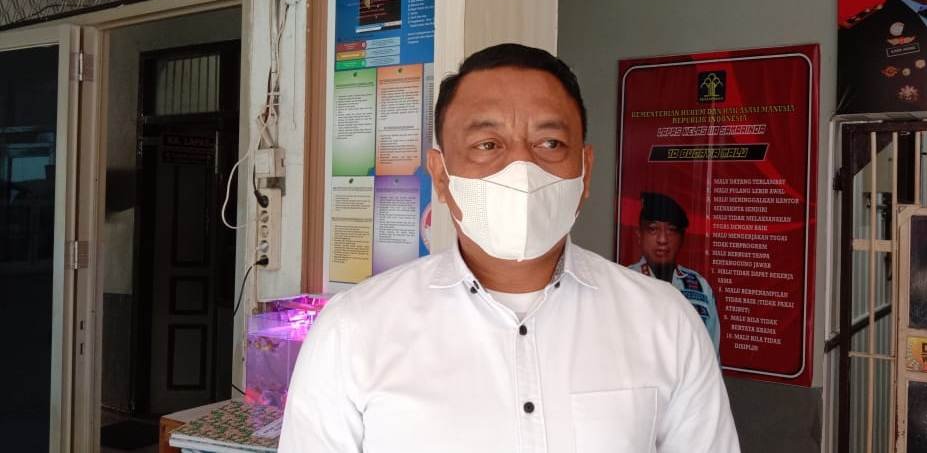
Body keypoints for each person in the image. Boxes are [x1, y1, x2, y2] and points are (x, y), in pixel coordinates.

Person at [279, 43, 739, 452]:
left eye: (550, 142)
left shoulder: (665, 321)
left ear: (585, 171)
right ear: (440, 175)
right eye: (487, 144)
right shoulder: (352, 332)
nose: (521, 168)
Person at [629, 192, 720, 353]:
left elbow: (711, 354)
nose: (662, 239)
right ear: (639, 236)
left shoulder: (699, 287)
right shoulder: (625, 282)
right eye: (653, 229)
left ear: (682, 238)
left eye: (671, 230)